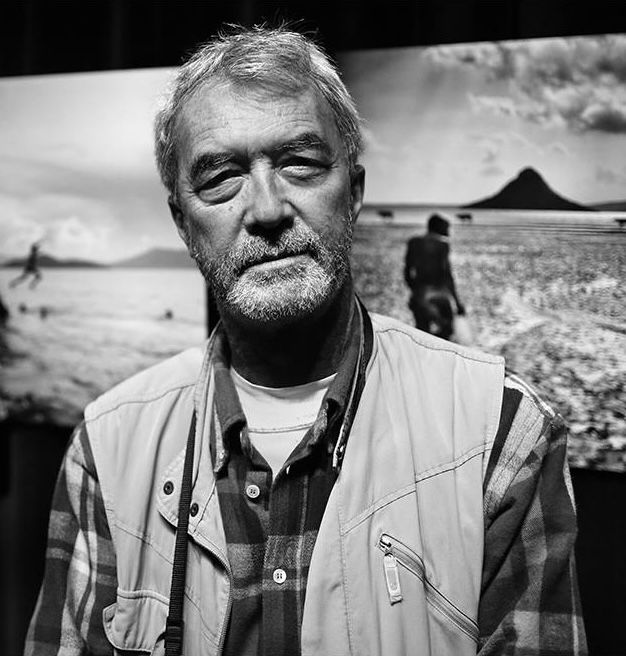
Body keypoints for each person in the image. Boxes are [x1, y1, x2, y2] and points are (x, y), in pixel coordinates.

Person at [25, 25, 586, 656]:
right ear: (184, 223)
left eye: (299, 162)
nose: (266, 210)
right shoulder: (107, 448)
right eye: (220, 177)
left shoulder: (501, 433)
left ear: (353, 192)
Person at [404, 213, 465, 339]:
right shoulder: (443, 245)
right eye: (446, 228)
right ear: (440, 228)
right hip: (439, 295)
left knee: (421, 334)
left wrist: (415, 291)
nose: (448, 231)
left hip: (420, 294)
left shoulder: (414, 242)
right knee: (447, 333)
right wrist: (457, 302)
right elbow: (447, 275)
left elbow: (407, 271)